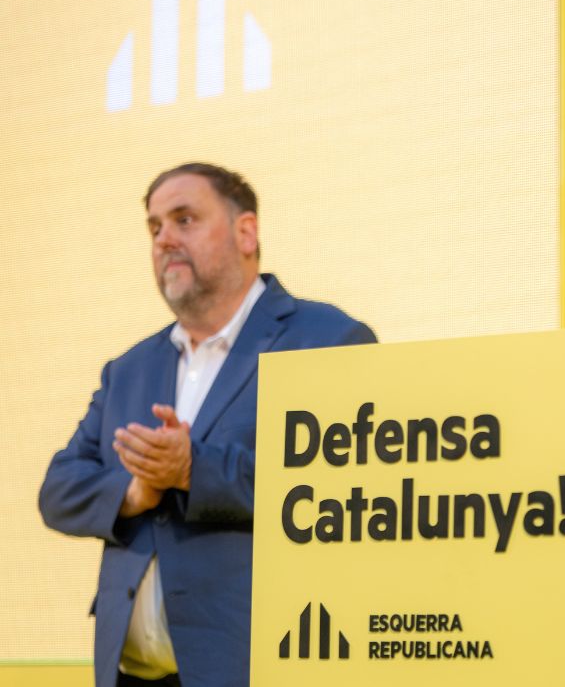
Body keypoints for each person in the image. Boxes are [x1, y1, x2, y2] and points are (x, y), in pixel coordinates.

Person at [39, 163, 377, 687]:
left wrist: (195, 469)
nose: (164, 239)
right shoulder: (130, 368)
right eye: (154, 227)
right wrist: (133, 490)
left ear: (247, 232)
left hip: (254, 669)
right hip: (127, 674)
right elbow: (58, 490)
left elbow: (353, 495)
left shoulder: (326, 340)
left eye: (185, 219)